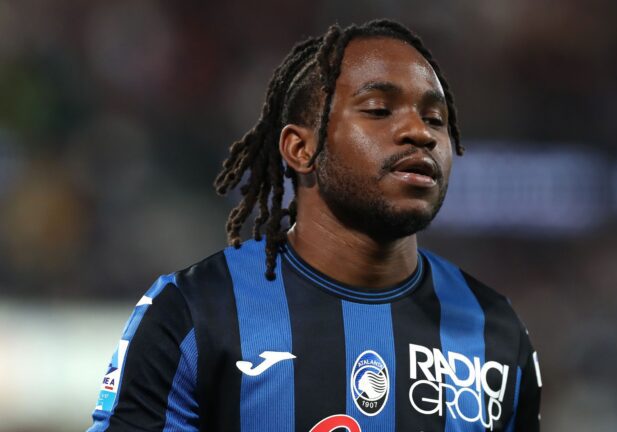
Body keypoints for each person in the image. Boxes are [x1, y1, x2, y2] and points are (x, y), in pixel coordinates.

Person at [88, 19, 541, 432]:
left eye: (435, 119)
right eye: (378, 110)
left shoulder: (494, 328)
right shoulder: (195, 310)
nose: (420, 132)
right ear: (301, 149)